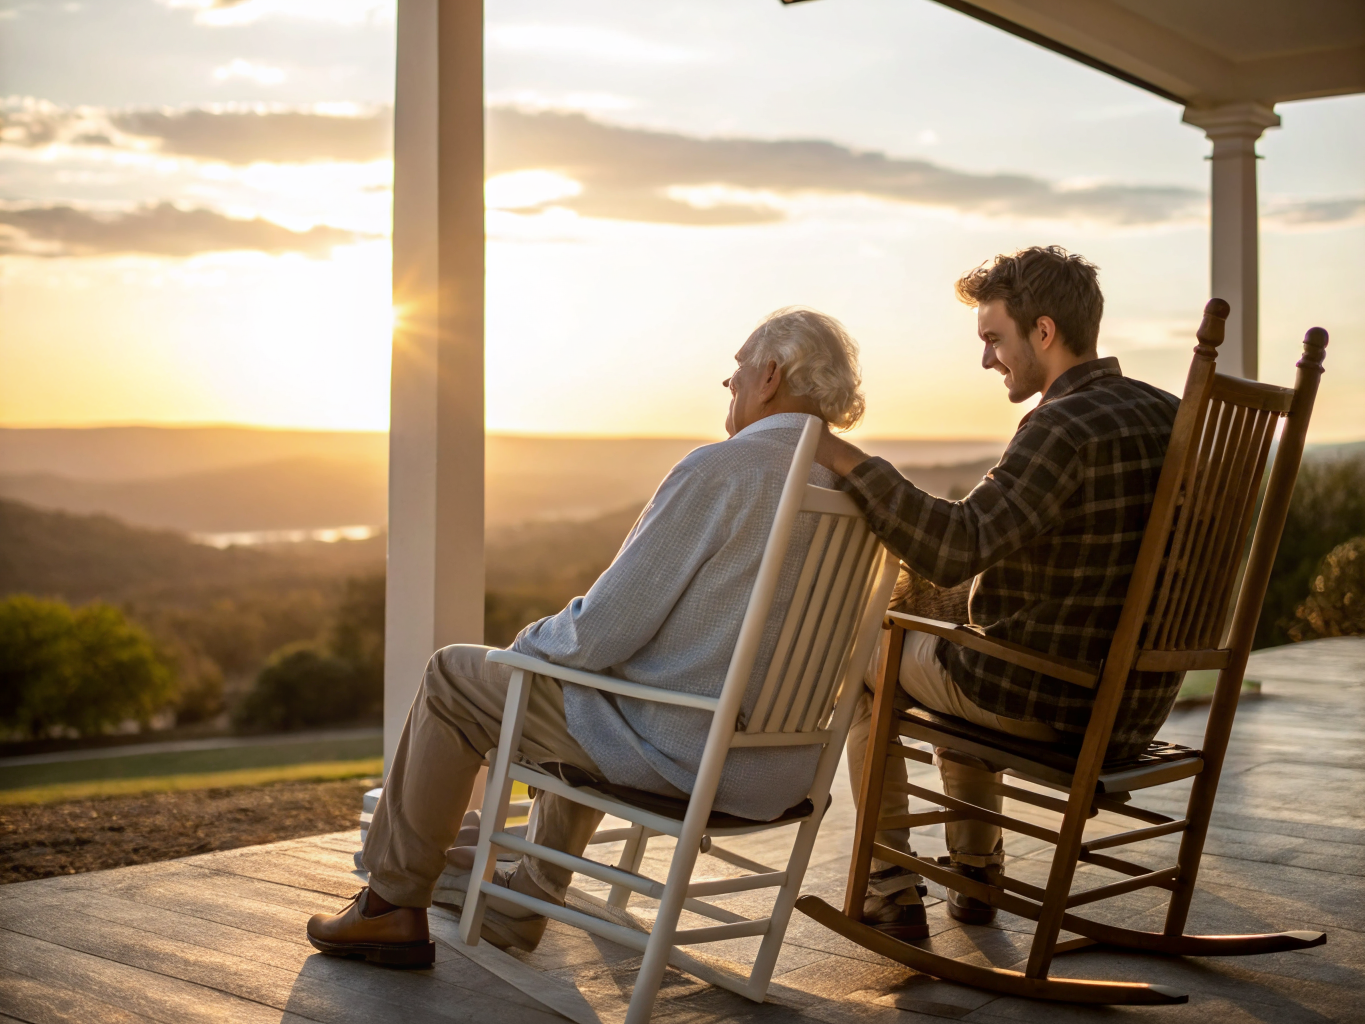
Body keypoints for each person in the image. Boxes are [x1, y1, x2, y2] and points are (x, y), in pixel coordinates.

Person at [307, 308, 867, 965]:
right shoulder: (860, 491)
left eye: (736, 373)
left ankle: (388, 905)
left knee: (456, 676)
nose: (730, 386)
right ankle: (520, 899)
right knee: (582, 692)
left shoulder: (721, 471)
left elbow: (601, 631)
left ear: (769, 376)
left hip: (681, 750)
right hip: (776, 771)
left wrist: (523, 648)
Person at [816, 246, 1181, 934]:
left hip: (1055, 700)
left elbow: (956, 548)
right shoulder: (1171, 415)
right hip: (1137, 704)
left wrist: (843, 456)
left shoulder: (1061, 426)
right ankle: (975, 875)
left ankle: (889, 890)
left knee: (862, 651)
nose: (987, 359)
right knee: (943, 643)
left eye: (993, 338)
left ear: (1042, 332)